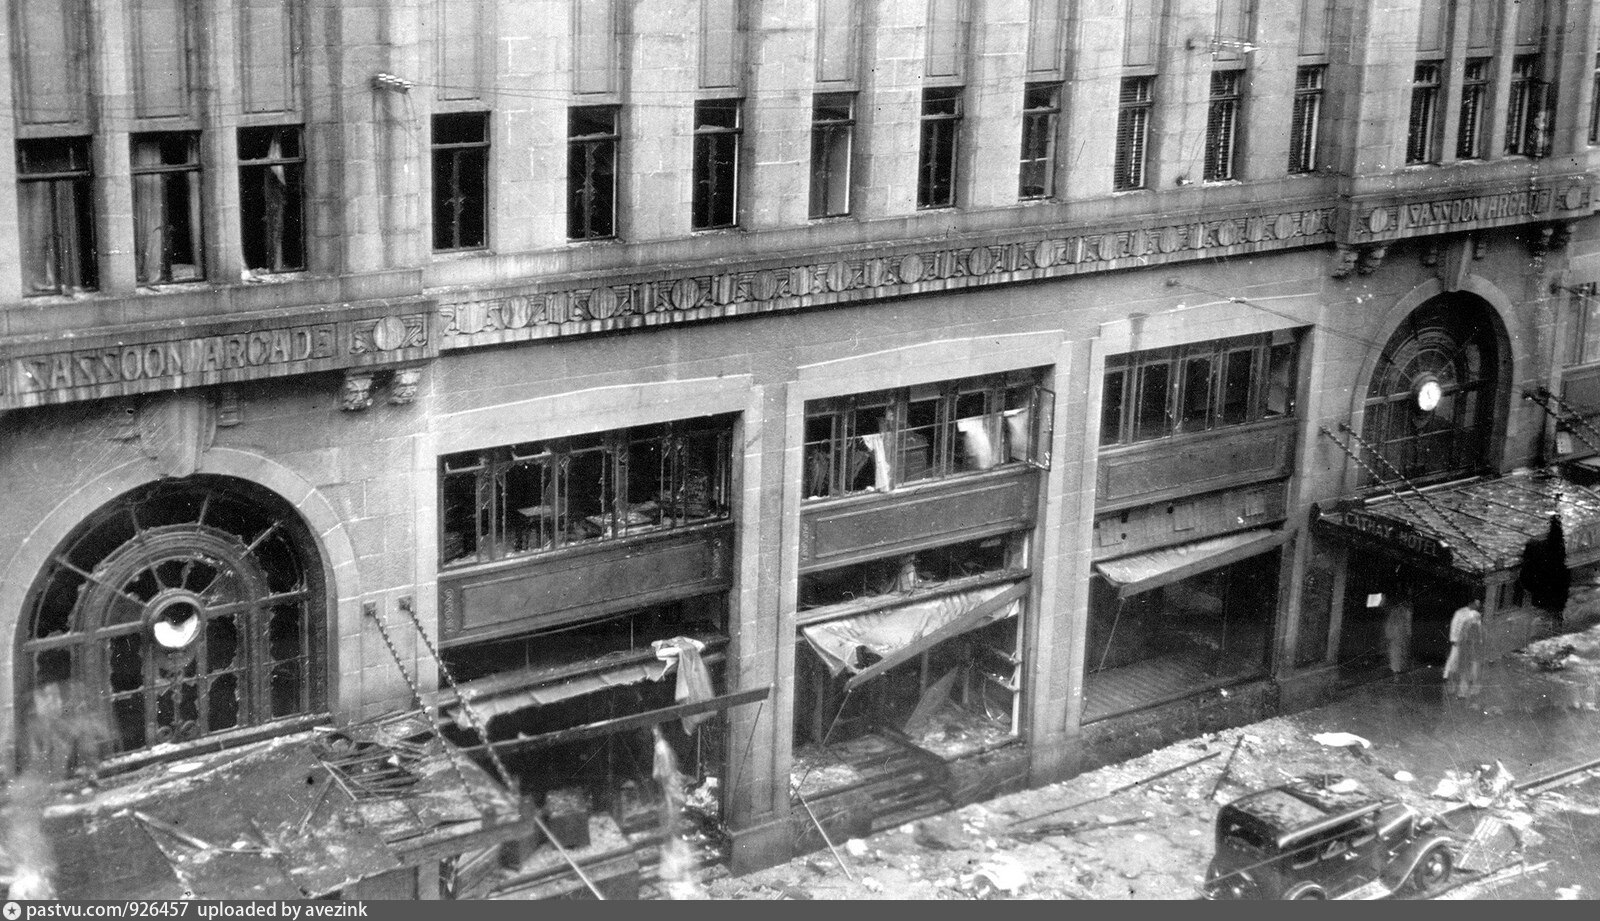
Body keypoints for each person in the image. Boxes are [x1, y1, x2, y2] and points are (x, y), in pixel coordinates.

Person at [1443, 599, 1484, 699]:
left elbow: (1479, 635)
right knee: (1456, 663)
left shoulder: (1475, 620)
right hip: (1463, 646)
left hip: (1470, 647)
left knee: (1469, 668)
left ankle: (1465, 690)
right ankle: (1451, 681)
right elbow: (1455, 627)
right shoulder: (1461, 615)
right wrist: (1454, 639)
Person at [1384, 593, 1414, 675]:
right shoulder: (1405, 611)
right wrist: (1408, 633)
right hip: (1399, 633)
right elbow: (1407, 624)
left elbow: (1389, 623)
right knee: (1399, 651)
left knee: (1396, 651)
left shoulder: (1395, 611)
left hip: (1396, 633)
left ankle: (1396, 668)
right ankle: (1397, 668)